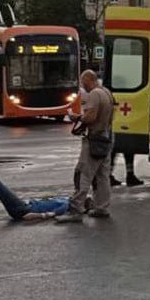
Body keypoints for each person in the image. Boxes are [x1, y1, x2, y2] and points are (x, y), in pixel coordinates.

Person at [55, 70, 114, 223]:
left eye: (83, 82)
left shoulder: (94, 94)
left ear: (88, 80)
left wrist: (77, 117)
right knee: (102, 175)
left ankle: (76, 209)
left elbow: (90, 117)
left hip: (94, 139)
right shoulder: (106, 92)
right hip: (106, 138)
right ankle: (102, 207)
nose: (82, 85)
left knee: (83, 173)